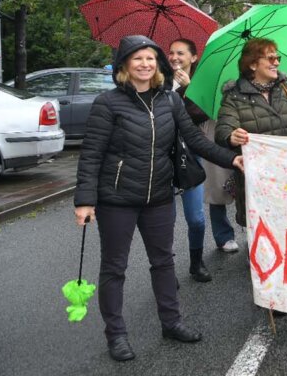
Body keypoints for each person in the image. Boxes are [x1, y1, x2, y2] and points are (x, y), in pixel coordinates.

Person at [74, 35, 243, 362]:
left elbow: (195, 139)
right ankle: (117, 335)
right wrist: (84, 200)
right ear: (124, 64)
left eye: (150, 58)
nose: (144, 64)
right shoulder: (107, 104)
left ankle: (171, 322)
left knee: (164, 261)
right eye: (137, 58)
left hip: (160, 197)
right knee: (114, 268)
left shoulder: (170, 101)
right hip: (117, 200)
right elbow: (91, 155)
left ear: (158, 64)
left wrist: (230, 158)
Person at [215, 38, 287, 228]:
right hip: (258, 182)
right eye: (271, 58)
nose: (277, 62)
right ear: (253, 64)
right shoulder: (234, 95)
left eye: (277, 57)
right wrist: (231, 136)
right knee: (263, 234)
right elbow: (223, 130)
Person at [168, 39, 240, 258]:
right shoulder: (160, 80)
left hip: (201, 139)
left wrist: (188, 88)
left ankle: (223, 235)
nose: (175, 57)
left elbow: (202, 112)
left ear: (193, 57)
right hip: (170, 146)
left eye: (180, 53)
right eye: (171, 52)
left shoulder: (204, 79)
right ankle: (163, 245)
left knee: (217, 185)